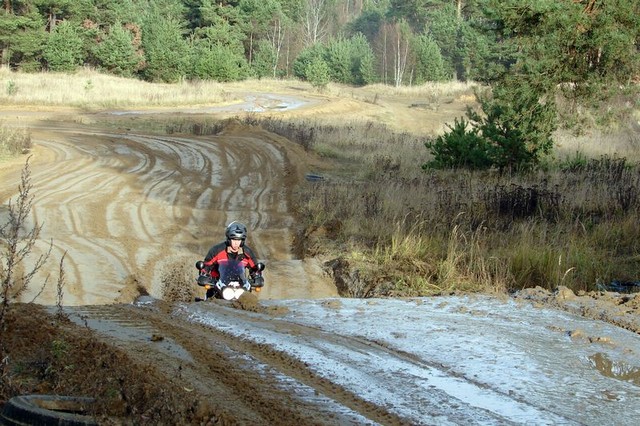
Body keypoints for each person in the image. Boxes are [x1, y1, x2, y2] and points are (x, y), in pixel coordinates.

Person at [199, 221, 265, 290]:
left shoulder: (247, 253)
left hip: (240, 288)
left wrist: (257, 277)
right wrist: (204, 275)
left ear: (242, 241)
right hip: (217, 287)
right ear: (228, 239)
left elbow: (255, 269)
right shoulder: (216, 250)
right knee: (209, 298)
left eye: (239, 240)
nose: (236, 243)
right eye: (234, 239)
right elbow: (206, 265)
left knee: (250, 299)